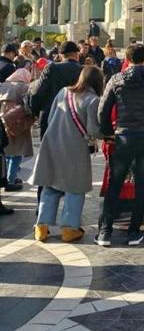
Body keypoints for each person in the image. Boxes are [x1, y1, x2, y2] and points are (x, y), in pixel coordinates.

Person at [97, 43, 144, 246]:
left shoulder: (116, 79)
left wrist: (108, 133)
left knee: (116, 182)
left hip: (124, 136)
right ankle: (133, 231)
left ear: (127, 59)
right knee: (143, 183)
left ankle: (105, 231)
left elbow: (103, 110)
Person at [30, 66, 104, 243]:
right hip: (74, 148)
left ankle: (41, 227)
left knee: (50, 185)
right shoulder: (92, 100)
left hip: (51, 143)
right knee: (75, 188)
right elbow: (93, 129)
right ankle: (69, 229)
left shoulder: (64, 92)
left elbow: (49, 119)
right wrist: (106, 134)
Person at [30, 41, 83, 137]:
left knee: (48, 150)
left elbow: (38, 92)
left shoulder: (52, 68)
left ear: (61, 55)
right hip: (76, 118)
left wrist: (35, 112)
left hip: (51, 115)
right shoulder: (84, 70)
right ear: (77, 55)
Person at [0, 68, 34, 190]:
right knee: (17, 154)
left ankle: (7, 178)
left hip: (3, 122)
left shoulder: (3, 85)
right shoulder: (24, 88)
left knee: (7, 151)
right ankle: (11, 180)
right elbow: (29, 105)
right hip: (18, 123)